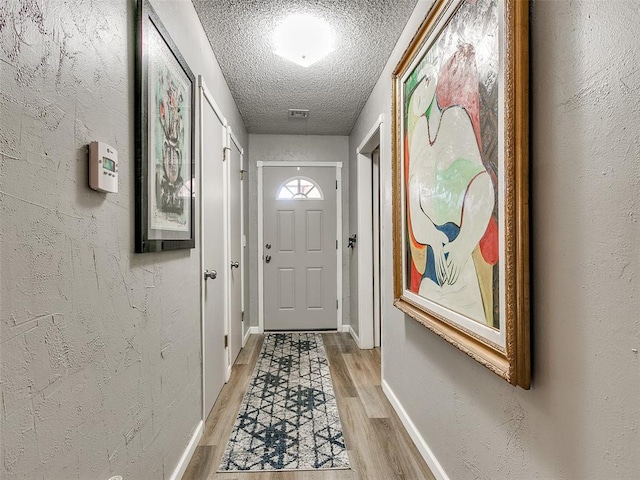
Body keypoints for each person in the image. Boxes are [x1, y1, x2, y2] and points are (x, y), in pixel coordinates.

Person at [405, 47, 494, 325]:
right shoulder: (418, 134)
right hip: (433, 260)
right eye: (418, 85)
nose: (420, 94)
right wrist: (430, 235)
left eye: (426, 84)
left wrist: (463, 243)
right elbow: (414, 201)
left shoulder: (455, 120)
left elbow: (482, 186)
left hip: (458, 253)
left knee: (467, 323)